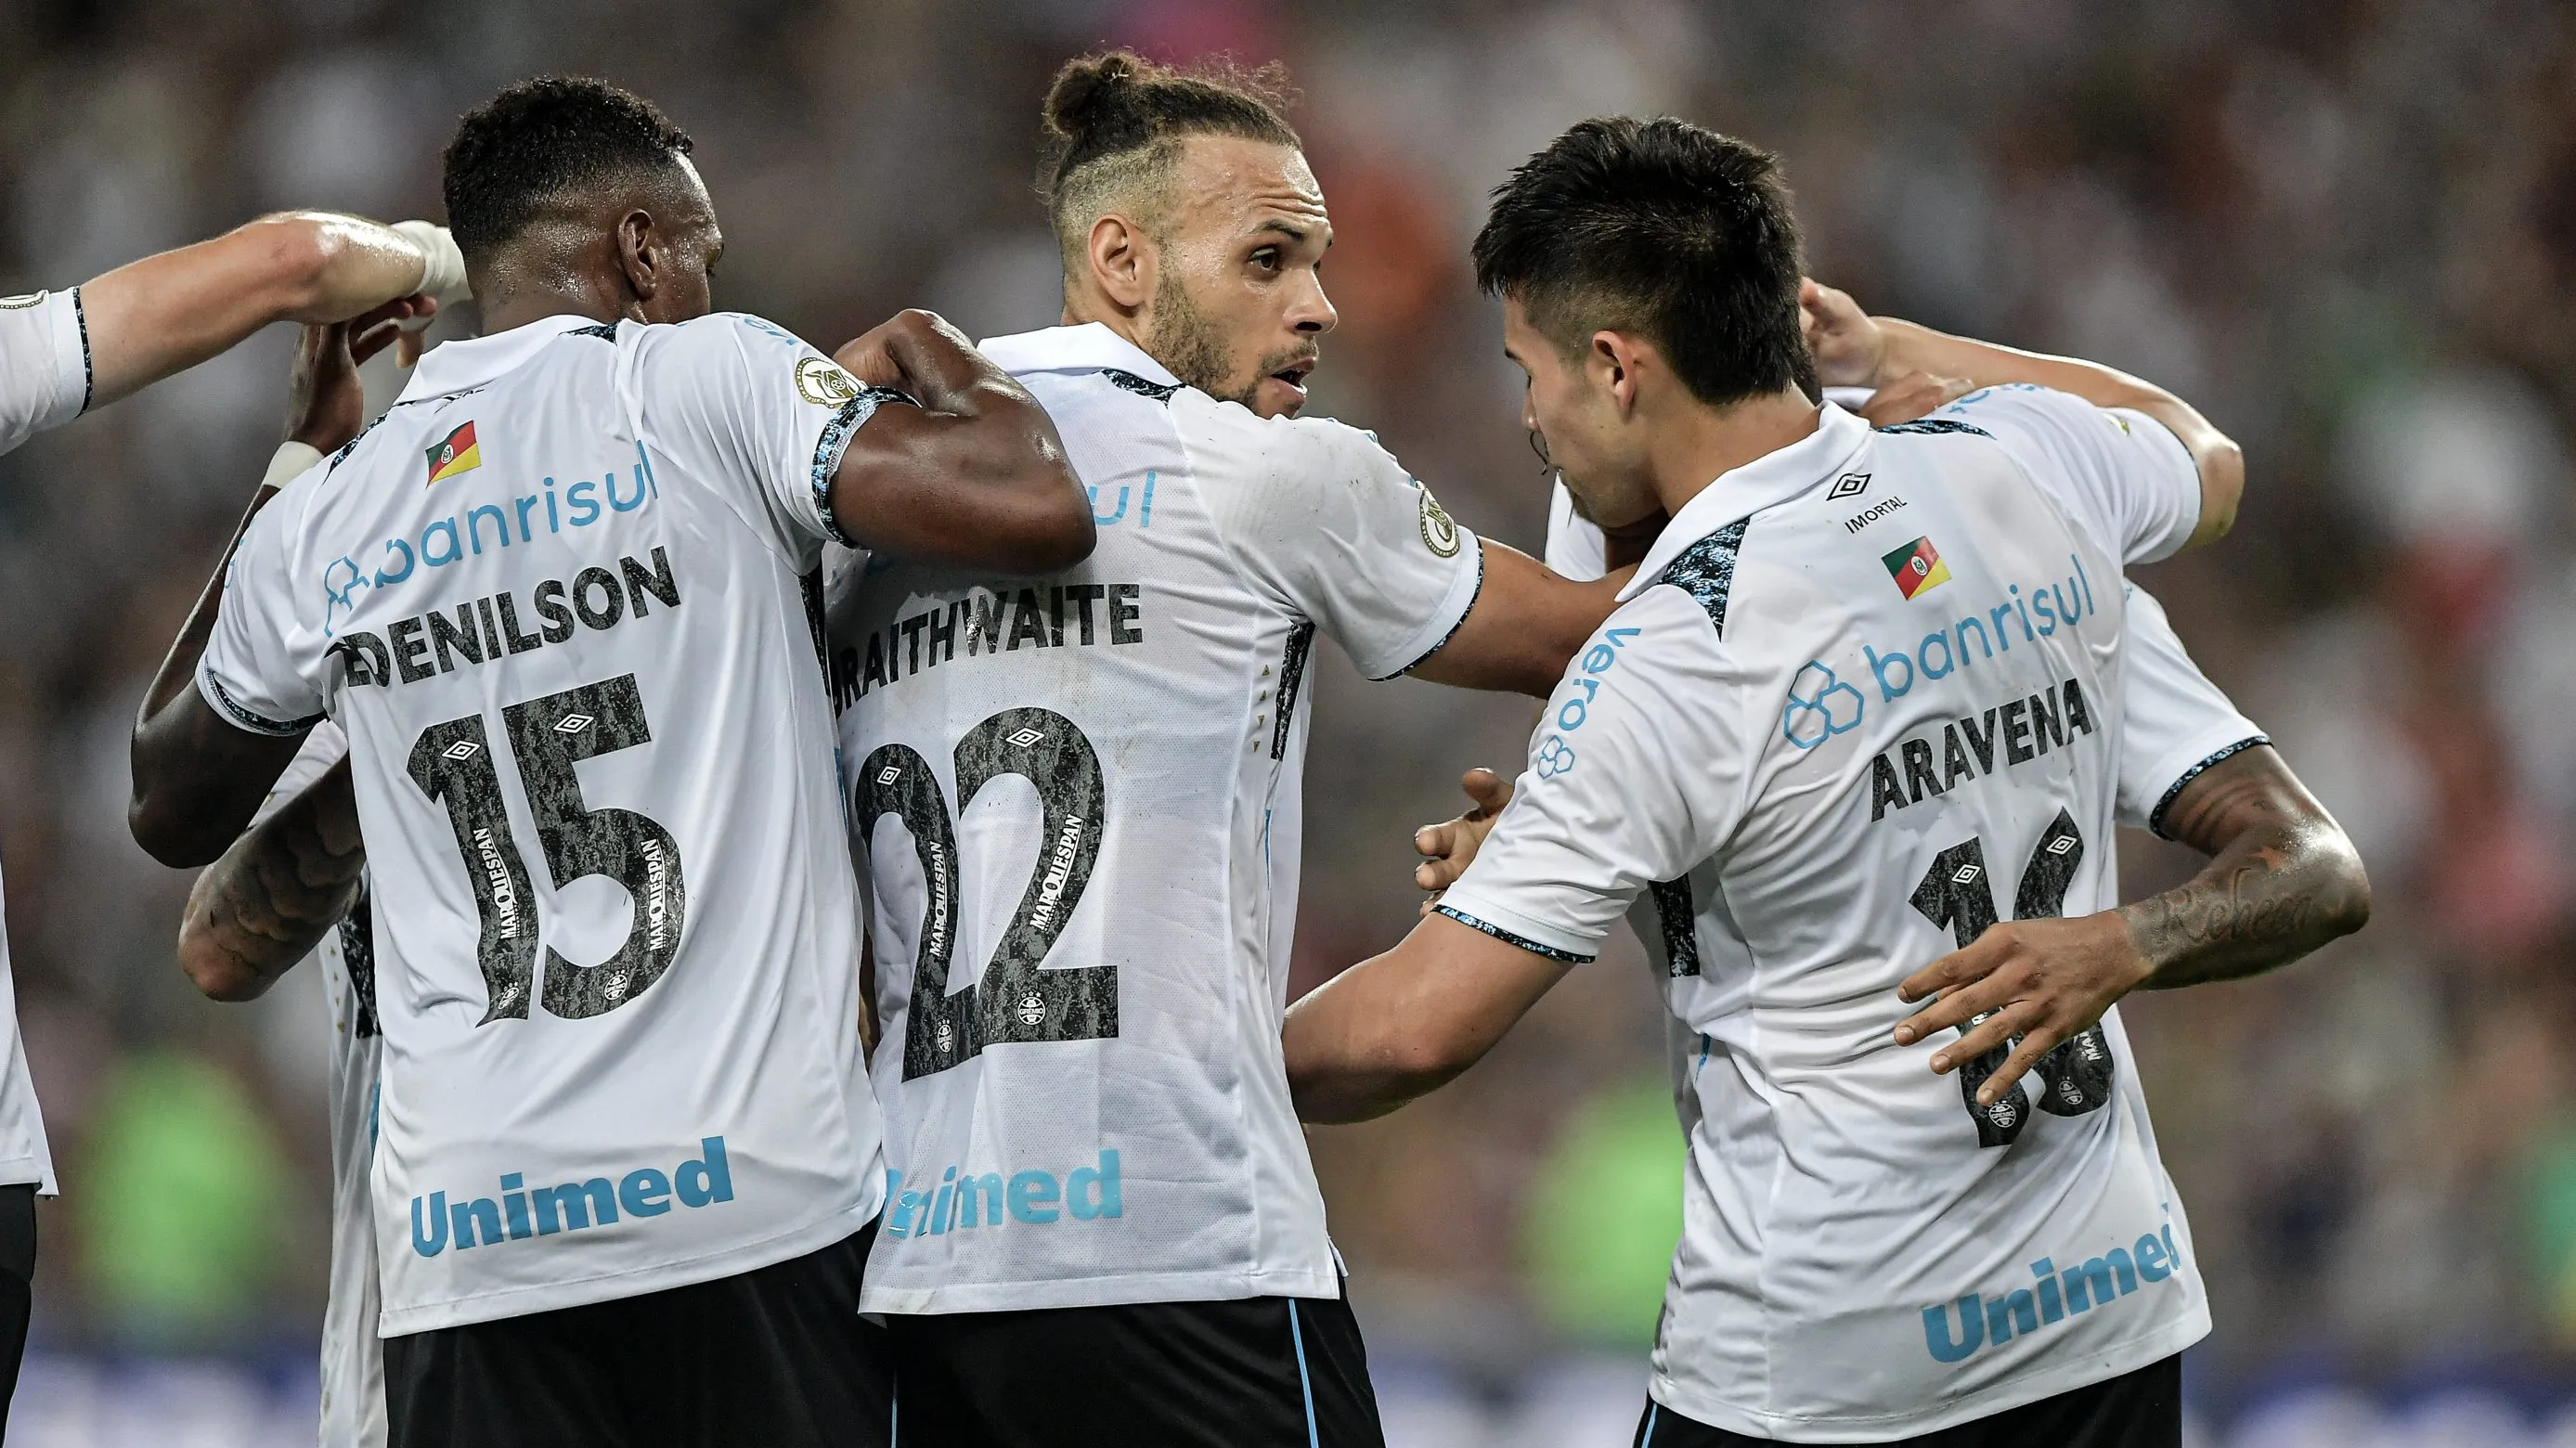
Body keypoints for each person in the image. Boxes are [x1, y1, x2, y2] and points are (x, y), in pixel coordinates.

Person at [1280, 118, 2368, 1447]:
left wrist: (1196, 1070)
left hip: (1830, 1367)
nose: (1527, 417)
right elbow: (2200, 454)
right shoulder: (2018, 468)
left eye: (1530, 372)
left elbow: (1410, 1033)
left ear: (1617, 368)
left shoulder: (1673, 645)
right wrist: (1911, 351)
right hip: (2103, 1314)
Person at [126, 75, 1094, 1448]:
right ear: (640, 251)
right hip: (750, 1207)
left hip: (475, 1243)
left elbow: (169, 800)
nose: (711, 281)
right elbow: (1033, 505)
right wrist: (932, 347)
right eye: (703, 250)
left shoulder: (341, 514)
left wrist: (301, 467)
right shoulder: (701, 380)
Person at [827, 51, 1627, 1446]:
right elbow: (1609, 636)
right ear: (1123, 259)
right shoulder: (1259, 469)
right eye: (1269, 258)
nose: (1317, 304)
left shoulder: (857, 500)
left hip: (922, 1283)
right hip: (1193, 1258)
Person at [0, 204, 465, 1430]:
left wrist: (308, 462)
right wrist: (457, 256)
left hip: (463, 1285)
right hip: (735, 1229)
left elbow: (198, 892)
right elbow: (297, 263)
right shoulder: (723, 545)